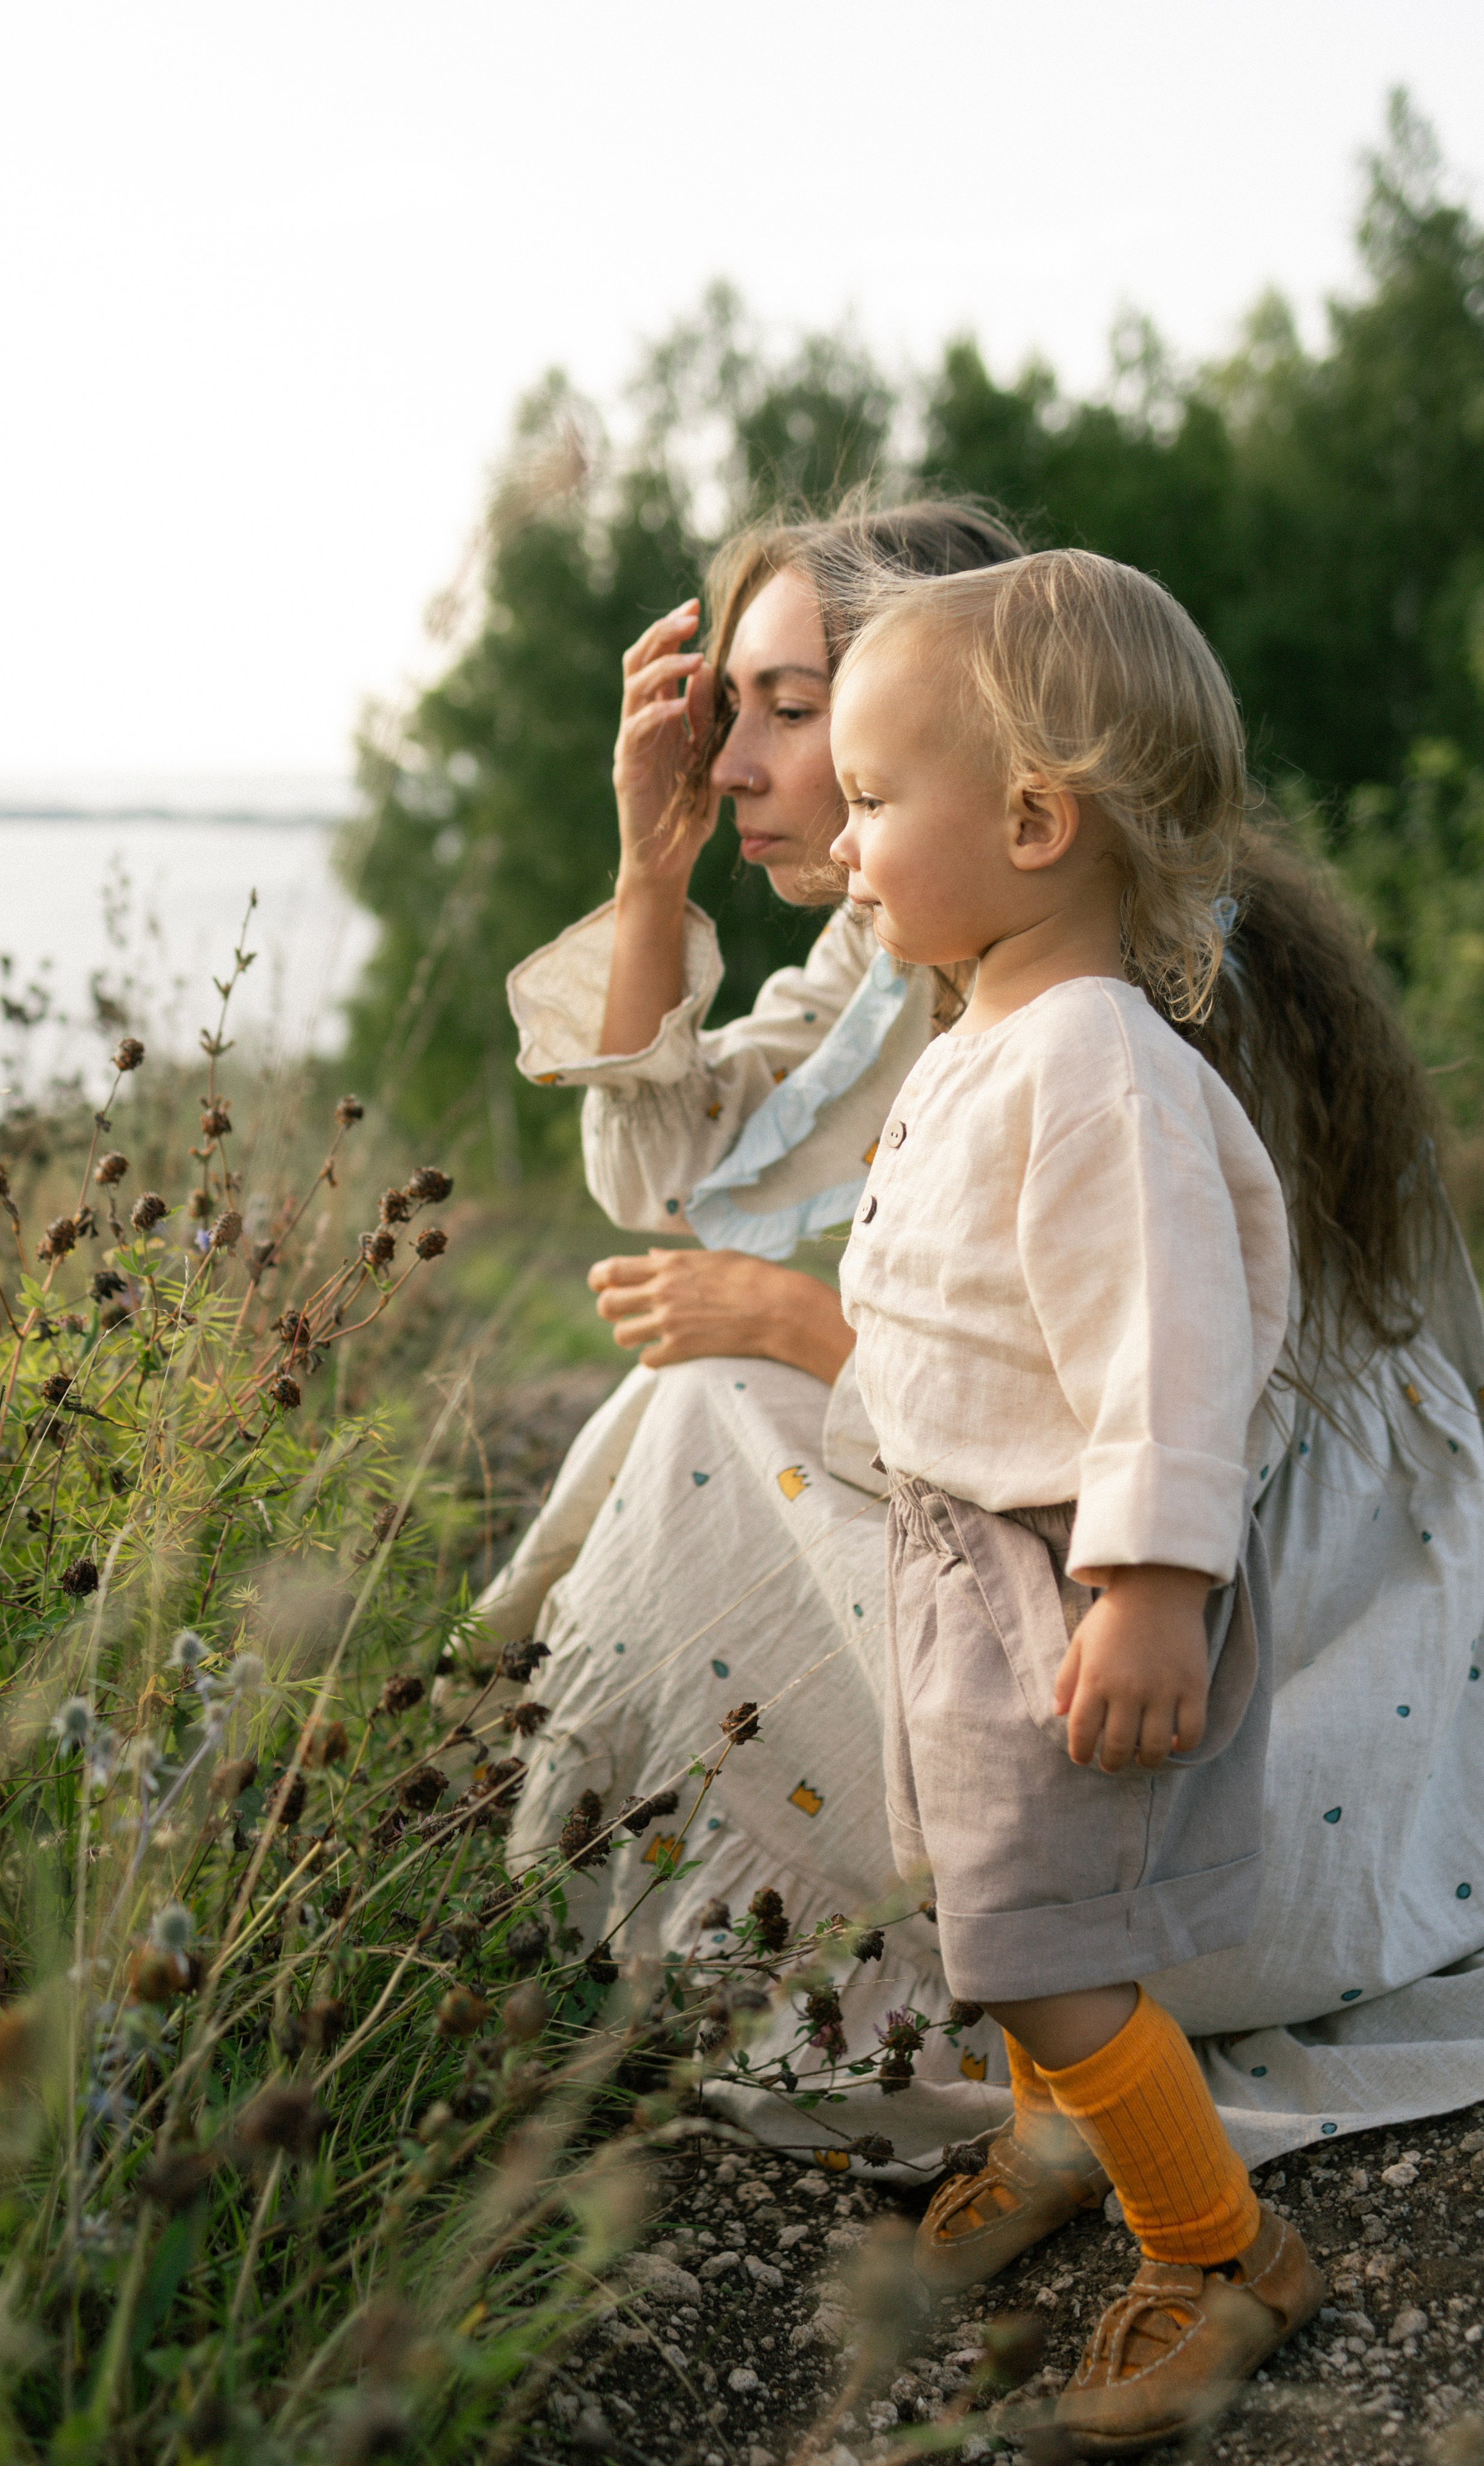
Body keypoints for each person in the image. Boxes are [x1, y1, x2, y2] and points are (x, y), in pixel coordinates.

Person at [487, 497, 1484, 2180]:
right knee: (699, 1393)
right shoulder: (927, 951)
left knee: (707, 1411)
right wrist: (647, 879)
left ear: (1009, 764)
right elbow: (673, 1171)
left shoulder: (1141, 1005)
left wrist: (813, 1324)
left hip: (1272, 1638)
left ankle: (1179, 2205)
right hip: (1098, 1538)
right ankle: (610, 1833)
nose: (737, 764)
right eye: (735, 709)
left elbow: (1184, 1396)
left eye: (799, 712)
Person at [830, 548, 1320, 2448]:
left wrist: (1151, 1583)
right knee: (987, 1899)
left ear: (1033, 820)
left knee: (1046, 1936)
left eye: (876, 801)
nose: (848, 843)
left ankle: (1219, 2250)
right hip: (964, 1563)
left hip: (1070, 1574)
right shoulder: (988, 1037)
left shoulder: (1099, 1064)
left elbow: (1166, 1348)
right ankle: (1054, 2132)